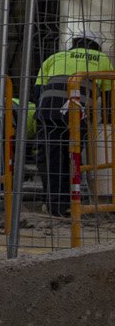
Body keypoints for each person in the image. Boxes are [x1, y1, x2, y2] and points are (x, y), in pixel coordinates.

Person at [32, 28, 112, 214]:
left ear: (74, 43)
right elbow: (109, 98)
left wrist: (42, 115)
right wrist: (106, 125)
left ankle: (53, 204)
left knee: (50, 158)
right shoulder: (102, 59)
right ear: (96, 46)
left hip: (49, 110)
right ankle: (69, 203)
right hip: (77, 113)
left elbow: (37, 92)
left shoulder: (55, 57)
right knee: (72, 157)